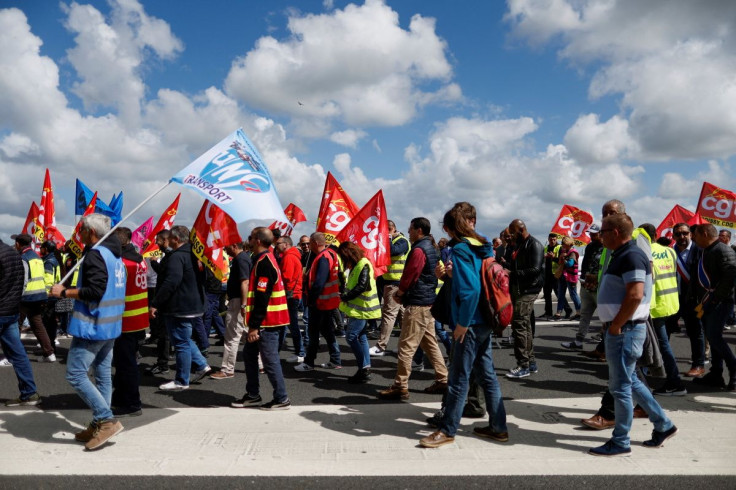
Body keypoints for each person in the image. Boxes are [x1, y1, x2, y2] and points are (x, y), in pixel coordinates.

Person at [588, 212, 676, 457]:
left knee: (621, 388)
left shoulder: (632, 255)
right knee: (631, 382)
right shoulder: (624, 254)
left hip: (625, 330)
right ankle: (663, 425)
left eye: (603, 231)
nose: (600, 236)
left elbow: (635, 294)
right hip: (622, 328)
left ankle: (620, 441)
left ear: (615, 232)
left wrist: (616, 325)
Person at [419, 203, 507, 448]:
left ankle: (447, 430)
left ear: (449, 228)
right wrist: (450, 276)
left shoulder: (460, 249)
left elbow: (470, 291)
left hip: (469, 322)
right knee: (487, 376)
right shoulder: (484, 246)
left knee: (458, 379)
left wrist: (462, 324)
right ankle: (498, 427)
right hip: (486, 319)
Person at [49, 213, 126, 450]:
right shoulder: (114, 255)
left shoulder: (95, 255)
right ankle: (98, 423)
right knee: (102, 375)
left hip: (92, 326)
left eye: (80, 229)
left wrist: (63, 292)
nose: (78, 233)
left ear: (91, 232)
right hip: (110, 325)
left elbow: (94, 291)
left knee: (75, 374)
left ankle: (106, 419)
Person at [378, 218, 448, 400]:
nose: (408, 232)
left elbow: (411, 274)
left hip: (417, 303)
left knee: (406, 346)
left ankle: (400, 386)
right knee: (430, 343)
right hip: (427, 302)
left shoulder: (418, 249)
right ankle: (443, 379)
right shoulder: (431, 247)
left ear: (419, 230)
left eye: (410, 229)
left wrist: (400, 293)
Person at [231, 227, 291, 410]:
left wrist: (254, 327)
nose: (247, 240)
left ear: (257, 240)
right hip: (266, 321)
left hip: (268, 322)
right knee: (250, 355)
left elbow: (262, 298)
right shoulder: (262, 259)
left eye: (250, 237)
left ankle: (282, 399)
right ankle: (253, 394)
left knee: (270, 360)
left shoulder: (264, 262)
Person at [150, 225, 211, 390]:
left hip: (180, 306)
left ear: (176, 239)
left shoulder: (177, 257)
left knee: (181, 343)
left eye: (169, 238)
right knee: (184, 338)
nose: (167, 241)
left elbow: (172, 281)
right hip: (194, 304)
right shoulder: (195, 254)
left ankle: (181, 380)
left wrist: (156, 303)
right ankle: (201, 365)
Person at [637, 223, 686, 397]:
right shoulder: (670, 251)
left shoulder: (645, 252)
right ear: (656, 235)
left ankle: (674, 382)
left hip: (654, 305)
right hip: (670, 303)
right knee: (657, 344)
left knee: (654, 345)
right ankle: (654, 379)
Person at [691, 223, 736, 390]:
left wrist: (716, 299)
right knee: (712, 337)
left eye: (695, 235)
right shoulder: (707, 250)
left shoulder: (724, 250)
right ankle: (716, 373)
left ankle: (734, 369)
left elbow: (729, 277)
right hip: (707, 301)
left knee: (714, 336)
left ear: (704, 233)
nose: (693, 238)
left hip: (721, 302)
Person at [111, 227, 148, 417]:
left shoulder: (122, 263)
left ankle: (132, 403)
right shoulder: (140, 259)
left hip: (125, 318)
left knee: (126, 365)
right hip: (138, 317)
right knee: (126, 362)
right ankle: (119, 398)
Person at [0, 237, 41, 407]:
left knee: (17, 353)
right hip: (11, 310)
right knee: (18, 354)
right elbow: (22, 283)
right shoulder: (14, 254)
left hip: (3, 308)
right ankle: (29, 392)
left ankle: (29, 393)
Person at [295, 232, 342, 371]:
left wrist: (311, 300)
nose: (308, 246)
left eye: (309, 243)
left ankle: (309, 362)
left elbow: (319, 283)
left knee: (313, 332)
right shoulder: (331, 254)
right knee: (328, 332)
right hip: (328, 300)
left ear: (315, 243)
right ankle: (335, 359)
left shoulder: (322, 258)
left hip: (320, 302)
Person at [664, 223, 706, 377]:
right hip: (672, 298)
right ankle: (661, 362)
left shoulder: (700, 251)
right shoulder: (668, 252)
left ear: (691, 234)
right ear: (673, 236)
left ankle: (698, 364)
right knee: (665, 331)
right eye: (678, 234)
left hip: (693, 299)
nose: (682, 237)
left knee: (695, 332)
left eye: (685, 233)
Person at [337, 241, 381, 384]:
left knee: (351, 337)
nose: (344, 261)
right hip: (359, 307)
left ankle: (363, 369)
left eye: (344, 257)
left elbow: (362, 285)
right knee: (361, 337)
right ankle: (365, 368)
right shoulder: (359, 264)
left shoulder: (363, 264)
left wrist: (345, 296)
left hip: (362, 308)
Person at [506, 219, 544, 378]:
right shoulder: (520, 244)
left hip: (529, 289)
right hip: (520, 288)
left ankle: (523, 365)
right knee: (525, 326)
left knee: (520, 326)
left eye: (513, 233)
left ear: (521, 230)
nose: (511, 237)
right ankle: (531, 362)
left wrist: (512, 274)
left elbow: (535, 269)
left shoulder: (534, 244)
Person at [210, 240, 251, 379]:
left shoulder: (241, 259)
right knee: (248, 333)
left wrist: (243, 304)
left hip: (238, 301)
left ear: (234, 245)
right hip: (240, 301)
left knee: (232, 337)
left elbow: (245, 281)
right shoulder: (243, 258)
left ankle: (227, 369)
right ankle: (262, 364)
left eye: (226, 247)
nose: (225, 250)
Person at [369, 220, 410, 356]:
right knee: (402, 316)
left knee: (389, 315)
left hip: (396, 283)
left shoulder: (401, 241)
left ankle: (381, 346)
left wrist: (387, 238)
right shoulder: (397, 240)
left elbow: (393, 251)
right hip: (394, 282)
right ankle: (403, 346)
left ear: (390, 229)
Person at [13, 233, 54, 362]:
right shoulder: (37, 257)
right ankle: (49, 353)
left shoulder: (23, 257)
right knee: (38, 325)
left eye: (16, 243)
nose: (15, 245)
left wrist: (16, 296)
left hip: (26, 297)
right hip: (39, 295)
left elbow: (23, 280)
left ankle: (14, 355)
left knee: (15, 325)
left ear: (19, 244)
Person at [562, 224, 603, 349]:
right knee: (584, 315)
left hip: (600, 287)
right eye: (590, 233)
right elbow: (585, 265)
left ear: (601, 233)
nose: (591, 235)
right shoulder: (590, 246)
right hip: (587, 286)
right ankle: (578, 341)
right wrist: (584, 279)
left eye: (594, 233)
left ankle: (604, 346)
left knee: (606, 317)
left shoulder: (607, 247)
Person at [275, 235, 305, 363]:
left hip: (290, 294)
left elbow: (286, 277)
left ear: (286, 244)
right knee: (289, 325)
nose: (276, 246)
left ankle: (300, 352)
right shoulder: (292, 255)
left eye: (278, 243)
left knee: (290, 325)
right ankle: (298, 352)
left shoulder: (288, 257)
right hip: (294, 293)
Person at [39, 240, 61, 353]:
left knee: (47, 324)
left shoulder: (48, 262)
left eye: (41, 247)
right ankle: (51, 347)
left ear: (46, 249)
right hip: (54, 295)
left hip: (49, 297)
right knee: (51, 323)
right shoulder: (54, 260)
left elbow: (48, 281)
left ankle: (49, 348)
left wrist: (45, 295)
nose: (40, 249)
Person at [553, 236, 581, 321]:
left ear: (569, 244)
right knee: (561, 294)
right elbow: (560, 263)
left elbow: (570, 264)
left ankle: (579, 312)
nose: (562, 245)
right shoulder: (564, 251)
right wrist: (561, 257)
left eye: (564, 244)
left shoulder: (572, 253)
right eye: (562, 244)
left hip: (571, 277)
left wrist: (564, 258)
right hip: (563, 276)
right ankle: (558, 313)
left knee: (573, 294)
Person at [540, 233, 562, 321]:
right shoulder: (546, 248)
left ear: (556, 239)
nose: (552, 241)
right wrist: (544, 257)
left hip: (556, 274)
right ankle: (548, 312)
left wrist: (553, 257)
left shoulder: (559, 247)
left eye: (554, 239)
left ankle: (568, 309)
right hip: (547, 274)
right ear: (548, 239)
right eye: (551, 239)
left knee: (558, 293)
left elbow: (561, 261)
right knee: (547, 294)